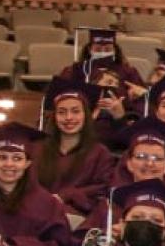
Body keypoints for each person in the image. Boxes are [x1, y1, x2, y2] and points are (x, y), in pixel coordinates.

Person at [33, 77, 116, 215]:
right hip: (38, 212)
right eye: (62, 112)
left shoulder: (100, 153)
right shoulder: (37, 148)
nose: (69, 118)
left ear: (86, 115)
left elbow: (102, 188)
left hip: (78, 218)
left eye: (76, 111)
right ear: (54, 117)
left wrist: (66, 196)